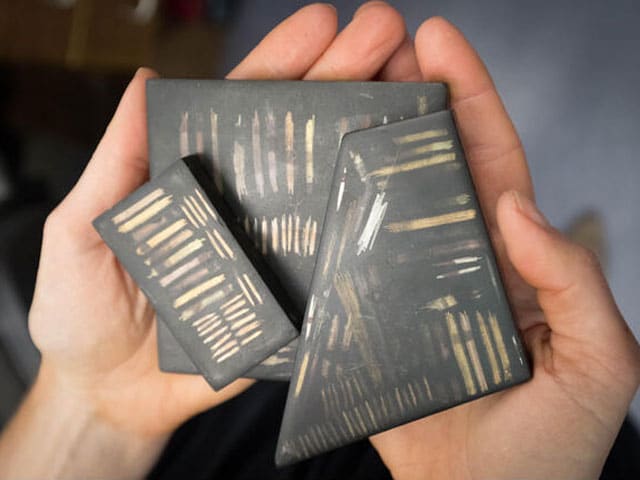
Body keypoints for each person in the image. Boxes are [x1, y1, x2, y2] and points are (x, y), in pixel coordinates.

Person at [0, 2, 638, 479]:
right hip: (290, 388)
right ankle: (515, 285)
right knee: (530, 356)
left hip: (214, 419)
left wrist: (88, 404)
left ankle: (506, 283)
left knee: (488, 291)